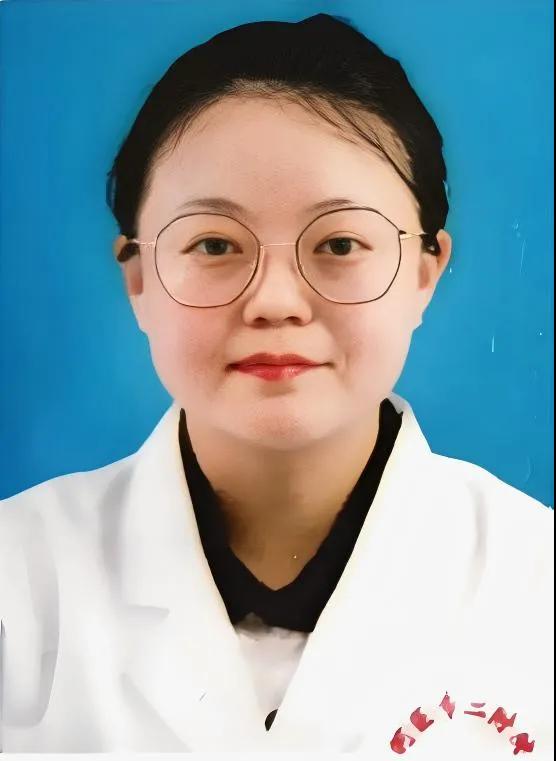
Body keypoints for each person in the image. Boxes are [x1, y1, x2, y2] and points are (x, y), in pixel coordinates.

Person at [0, 12, 553, 756]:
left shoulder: (537, 582)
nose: (275, 302)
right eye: (215, 244)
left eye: (340, 243)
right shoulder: (17, 586)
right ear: (138, 277)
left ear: (425, 273)